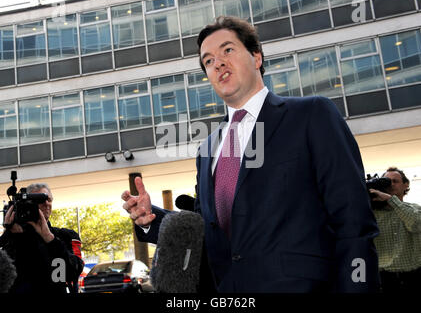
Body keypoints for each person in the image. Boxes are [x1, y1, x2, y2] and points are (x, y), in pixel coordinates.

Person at [122, 16, 380, 293]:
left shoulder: (311, 115)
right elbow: (206, 233)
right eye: (208, 61)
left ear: (256, 57)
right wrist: (152, 219)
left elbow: (353, 221)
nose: (217, 63)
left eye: (228, 50)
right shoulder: (208, 149)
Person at [0, 183, 84, 294]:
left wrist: (50, 240)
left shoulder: (66, 236)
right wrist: (11, 235)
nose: (46, 203)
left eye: (48, 199)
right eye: (39, 200)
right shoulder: (12, 236)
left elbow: (71, 273)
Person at [369, 167, 421, 293]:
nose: (391, 184)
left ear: (405, 185)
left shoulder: (415, 209)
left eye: (395, 181)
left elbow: (415, 224)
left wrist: (390, 199)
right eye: (387, 181)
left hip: (414, 276)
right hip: (383, 278)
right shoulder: (372, 213)